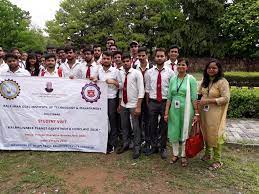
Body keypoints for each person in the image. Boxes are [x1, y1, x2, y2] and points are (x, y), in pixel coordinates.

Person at [164, 58, 198, 167]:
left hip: (187, 110)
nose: (181, 67)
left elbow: (194, 97)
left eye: (183, 65)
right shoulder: (173, 79)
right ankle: (175, 154)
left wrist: (196, 113)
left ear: (187, 67)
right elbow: (169, 97)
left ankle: (183, 155)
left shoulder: (191, 79)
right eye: (179, 64)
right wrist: (166, 112)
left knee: (185, 131)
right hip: (174, 109)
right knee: (174, 130)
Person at [198, 59, 230, 170]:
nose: (211, 70)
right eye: (209, 68)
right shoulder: (205, 80)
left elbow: (226, 98)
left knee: (216, 135)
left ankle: (218, 160)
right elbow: (199, 93)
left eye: (214, 68)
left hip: (216, 113)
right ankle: (208, 154)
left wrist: (209, 101)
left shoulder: (222, 82)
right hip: (204, 112)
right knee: (205, 132)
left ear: (218, 69)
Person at [144, 48, 175, 159]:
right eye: (157, 56)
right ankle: (153, 146)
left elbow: (172, 90)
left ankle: (163, 147)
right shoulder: (149, 73)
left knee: (163, 126)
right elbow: (147, 89)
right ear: (154, 57)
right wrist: (148, 104)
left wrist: (169, 105)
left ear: (165, 57)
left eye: (162, 56)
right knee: (152, 125)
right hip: (152, 102)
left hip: (164, 102)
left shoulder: (171, 73)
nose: (160, 58)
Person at [117, 53, 144, 159]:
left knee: (136, 127)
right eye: (124, 61)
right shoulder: (121, 73)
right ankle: (126, 143)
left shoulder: (137, 73)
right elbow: (121, 89)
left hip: (133, 104)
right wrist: (120, 104)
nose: (125, 63)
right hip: (124, 104)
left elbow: (141, 90)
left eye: (127, 61)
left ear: (131, 62)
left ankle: (137, 147)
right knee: (124, 126)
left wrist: (138, 106)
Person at [98, 51, 122, 153]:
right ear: (102, 60)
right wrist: (94, 79)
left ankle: (112, 143)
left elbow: (121, 85)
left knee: (112, 120)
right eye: (104, 58)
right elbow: (94, 80)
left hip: (112, 98)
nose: (106, 60)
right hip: (100, 99)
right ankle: (103, 141)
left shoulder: (116, 71)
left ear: (111, 60)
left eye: (108, 58)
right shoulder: (99, 71)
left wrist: (114, 82)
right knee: (102, 121)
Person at [135, 47, 153, 152]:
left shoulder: (152, 68)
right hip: (137, 99)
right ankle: (139, 140)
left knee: (148, 121)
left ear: (147, 56)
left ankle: (148, 141)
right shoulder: (134, 67)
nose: (141, 57)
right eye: (139, 56)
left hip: (148, 99)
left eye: (143, 55)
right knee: (138, 121)